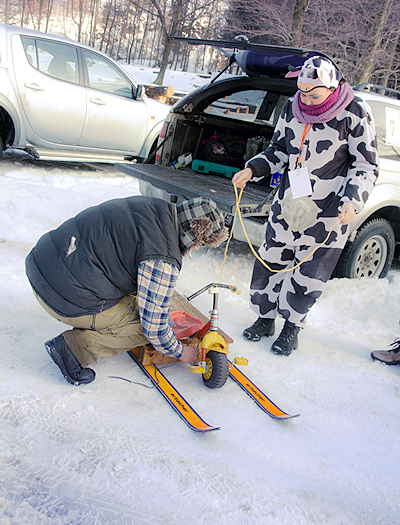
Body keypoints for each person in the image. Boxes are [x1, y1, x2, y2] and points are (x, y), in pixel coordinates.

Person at [232, 55, 379, 356]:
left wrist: (352, 200)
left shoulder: (354, 112)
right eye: (303, 94)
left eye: (314, 95)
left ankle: (291, 328)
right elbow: (279, 150)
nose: (307, 101)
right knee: (270, 259)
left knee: (310, 271)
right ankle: (264, 318)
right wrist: (253, 169)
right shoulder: (292, 107)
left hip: (329, 210)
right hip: (289, 204)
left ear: (332, 87)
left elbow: (366, 166)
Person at [25, 195, 228, 385]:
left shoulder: (153, 206)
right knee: (145, 329)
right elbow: (154, 329)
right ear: (194, 232)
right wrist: (182, 352)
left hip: (43, 262)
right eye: (201, 243)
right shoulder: (162, 256)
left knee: (142, 305)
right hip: (59, 295)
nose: (198, 248)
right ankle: (73, 350)